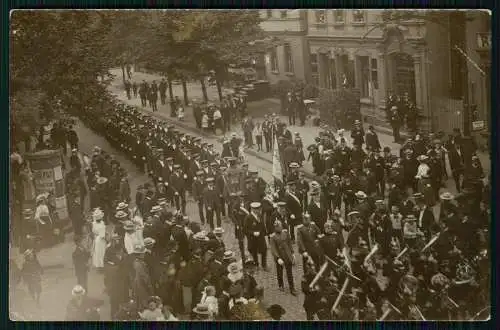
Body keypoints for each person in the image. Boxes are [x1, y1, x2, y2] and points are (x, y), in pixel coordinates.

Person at [269, 220, 296, 295]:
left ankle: (292, 288)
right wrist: (277, 258)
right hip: (280, 257)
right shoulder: (273, 237)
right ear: (275, 228)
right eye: (277, 227)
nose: (279, 228)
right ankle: (281, 284)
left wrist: (292, 253)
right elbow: (273, 249)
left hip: (287, 255)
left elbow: (289, 243)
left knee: (289, 273)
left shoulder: (285, 233)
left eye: (280, 226)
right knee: (279, 271)